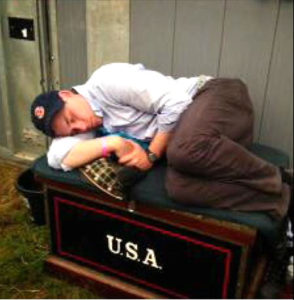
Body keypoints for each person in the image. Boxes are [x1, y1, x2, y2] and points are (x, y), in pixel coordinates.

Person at [31, 62, 292, 297]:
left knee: (181, 153)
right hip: (206, 147)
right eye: (71, 130)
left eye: (71, 118)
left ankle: (275, 177)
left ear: (67, 94)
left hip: (218, 99)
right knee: (179, 188)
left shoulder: (106, 81)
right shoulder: (85, 123)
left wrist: (152, 154)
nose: (79, 127)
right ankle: (281, 204)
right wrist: (111, 142)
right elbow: (57, 157)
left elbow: (177, 102)